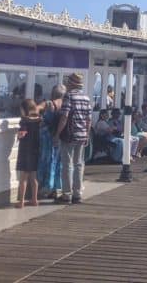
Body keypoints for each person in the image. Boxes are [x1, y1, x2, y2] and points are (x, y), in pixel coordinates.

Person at [55, 72, 91, 205]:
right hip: (82, 135)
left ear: (71, 84)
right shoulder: (86, 98)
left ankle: (67, 194)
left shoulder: (69, 97)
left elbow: (64, 117)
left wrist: (57, 134)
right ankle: (77, 194)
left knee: (67, 165)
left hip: (70, 135)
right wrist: (87, 134)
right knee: (79, 164)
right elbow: (89, 119)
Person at [38, 83, 65, 199]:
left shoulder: (50, 104)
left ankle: (47, 188)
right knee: (59, 163)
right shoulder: (65, 104)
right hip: (60, 138)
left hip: (49, 137)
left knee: (48, 162)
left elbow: (46, 120)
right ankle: (57, 188)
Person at [15, 99, 41, 208]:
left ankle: (21, 202)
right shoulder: (39, 120)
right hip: (35, 149)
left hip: (25, 150)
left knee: (23, 178)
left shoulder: (25, 121)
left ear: (25, 109)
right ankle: (34, 200)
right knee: (34, 177)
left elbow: (22, 133)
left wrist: (18, 134)